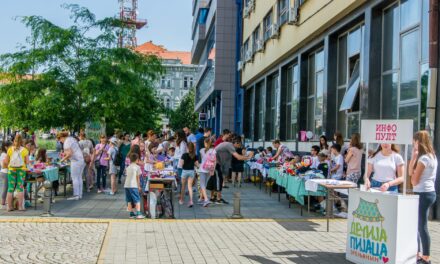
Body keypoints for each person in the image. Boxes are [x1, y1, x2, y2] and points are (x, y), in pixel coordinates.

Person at [409, 131, 437, 264]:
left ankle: (426, 257)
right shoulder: (431, 156)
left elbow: (413, 181)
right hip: (428, 193)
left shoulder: (424, 159)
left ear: (418, 142)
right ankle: (419, 253)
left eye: (414, 141)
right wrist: (413, 157)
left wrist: (416, 159)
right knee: (419, 224)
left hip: (423, 193)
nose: (412, 143)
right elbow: (410, 172)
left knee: (421, 226)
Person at [214, 136, 253, 204]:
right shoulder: (230, 146)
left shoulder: (228, 145)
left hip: (216, 163)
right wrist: (249, 157)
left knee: (218, 181)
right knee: (219, 181)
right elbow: (238, 157)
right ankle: (218, 198)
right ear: (236, 143)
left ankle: (216, 197)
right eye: (239, 144)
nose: (239, 146)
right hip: (215, 163)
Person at [3, 135, 29, 211]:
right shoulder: (24, 150)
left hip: (11, 170)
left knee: (10, 188)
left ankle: (9, 207)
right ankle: (20, 207)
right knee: (20, 188)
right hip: (21, 170)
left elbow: (6, 161)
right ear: (22, 142)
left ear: (14, 141)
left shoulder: (10, 149)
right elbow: (27, 162)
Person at [58, 131, 86, 200]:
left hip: (75, 161)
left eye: (59, 139)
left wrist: (62, 160)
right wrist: (65, 155)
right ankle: (80, 194)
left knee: (74, 178)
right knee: (79, 177)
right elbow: (71, 150)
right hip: (81, 159)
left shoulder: (66, 142)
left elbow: (70, 153)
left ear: (61, 137)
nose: (60, 141)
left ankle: (76, 195)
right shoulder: (71, 139)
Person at [124, 153, 145, 219]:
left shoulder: (128, 167)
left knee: (129, 200)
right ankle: (138, 213)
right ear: (137, 160)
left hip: (126, 185)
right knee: (137, 199)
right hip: (134, 185)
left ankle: (131, 214)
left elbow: (127, 176)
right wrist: (139, 186)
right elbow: (137, 178)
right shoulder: (137, 167)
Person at [178, 142, 198, 207]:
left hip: (184, 171)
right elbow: (197, 164)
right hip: (191, 172)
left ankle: (181, 200)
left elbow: (181, 164)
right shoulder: (194, 155)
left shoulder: (184, 155)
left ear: (187, 147)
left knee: (183, 187)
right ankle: (191, 201)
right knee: (190, 187)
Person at [198, 138, 216, 207]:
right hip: (209, 169)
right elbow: (215, 161)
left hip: (203, 169)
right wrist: (213, 170)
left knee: (202, 185)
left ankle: (206, 199)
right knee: (204, 184)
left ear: (205, 143)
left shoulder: (202, 150)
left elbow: (201, 160)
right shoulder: (213, 150)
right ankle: (201, 198)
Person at [0, 141, 12, 209]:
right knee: (5, 188)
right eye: (10, 146)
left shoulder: (5, 154)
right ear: (6, 147)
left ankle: (3, 202)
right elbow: (4, 165)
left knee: (5, 187)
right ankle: (2, 202)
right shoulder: (4, 154)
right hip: (5, 172)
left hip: (5, 172)